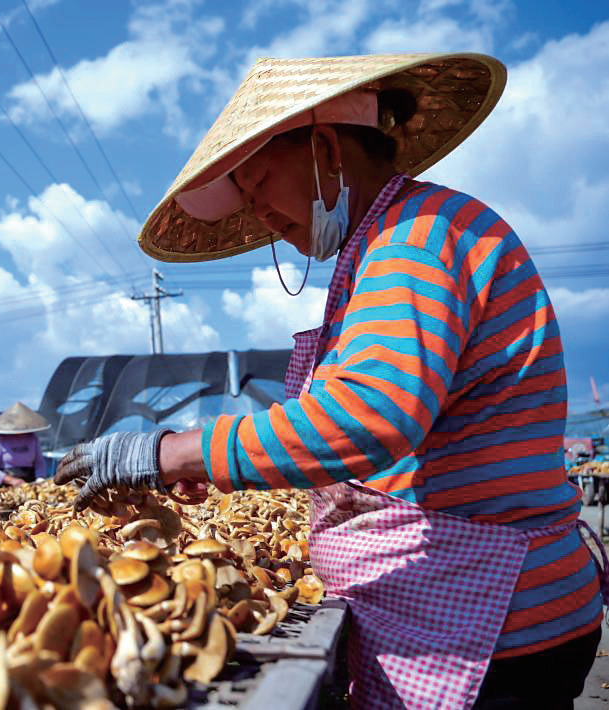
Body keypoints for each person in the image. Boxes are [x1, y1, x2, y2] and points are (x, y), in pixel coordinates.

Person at [55, 53, 607, 708]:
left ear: (324, 149)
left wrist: (169, 452)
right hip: (481, 604)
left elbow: (368, 417)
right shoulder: (392, 240)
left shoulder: (413, 241)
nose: (259, 214)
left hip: (495, 626)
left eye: (257, 182)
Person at [0, 402, 49, 487]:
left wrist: (40, 478)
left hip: (29, 483)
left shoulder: (32, 438)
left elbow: (39, 463)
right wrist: (12, 481)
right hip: (6, 486)